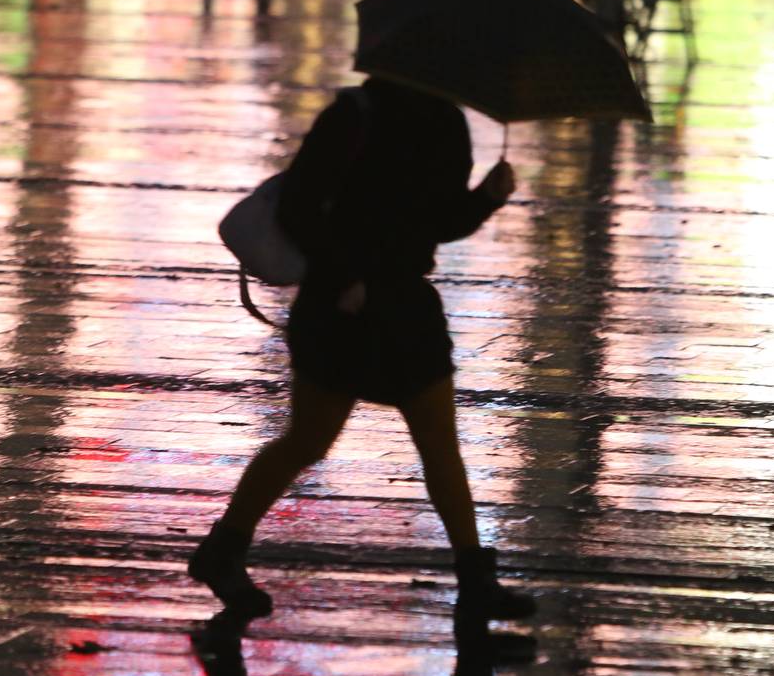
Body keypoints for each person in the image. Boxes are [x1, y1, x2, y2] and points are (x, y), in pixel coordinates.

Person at [191, 77, 537, 641]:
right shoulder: (360, 117)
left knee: (432, 446)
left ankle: (475, 582)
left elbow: (439, 222)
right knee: (311, 441)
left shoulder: (436, 121)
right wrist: (343, 275)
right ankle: (222, 550)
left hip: (397, 305)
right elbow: (301, 207)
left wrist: (488, 196)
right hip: (341, 309)